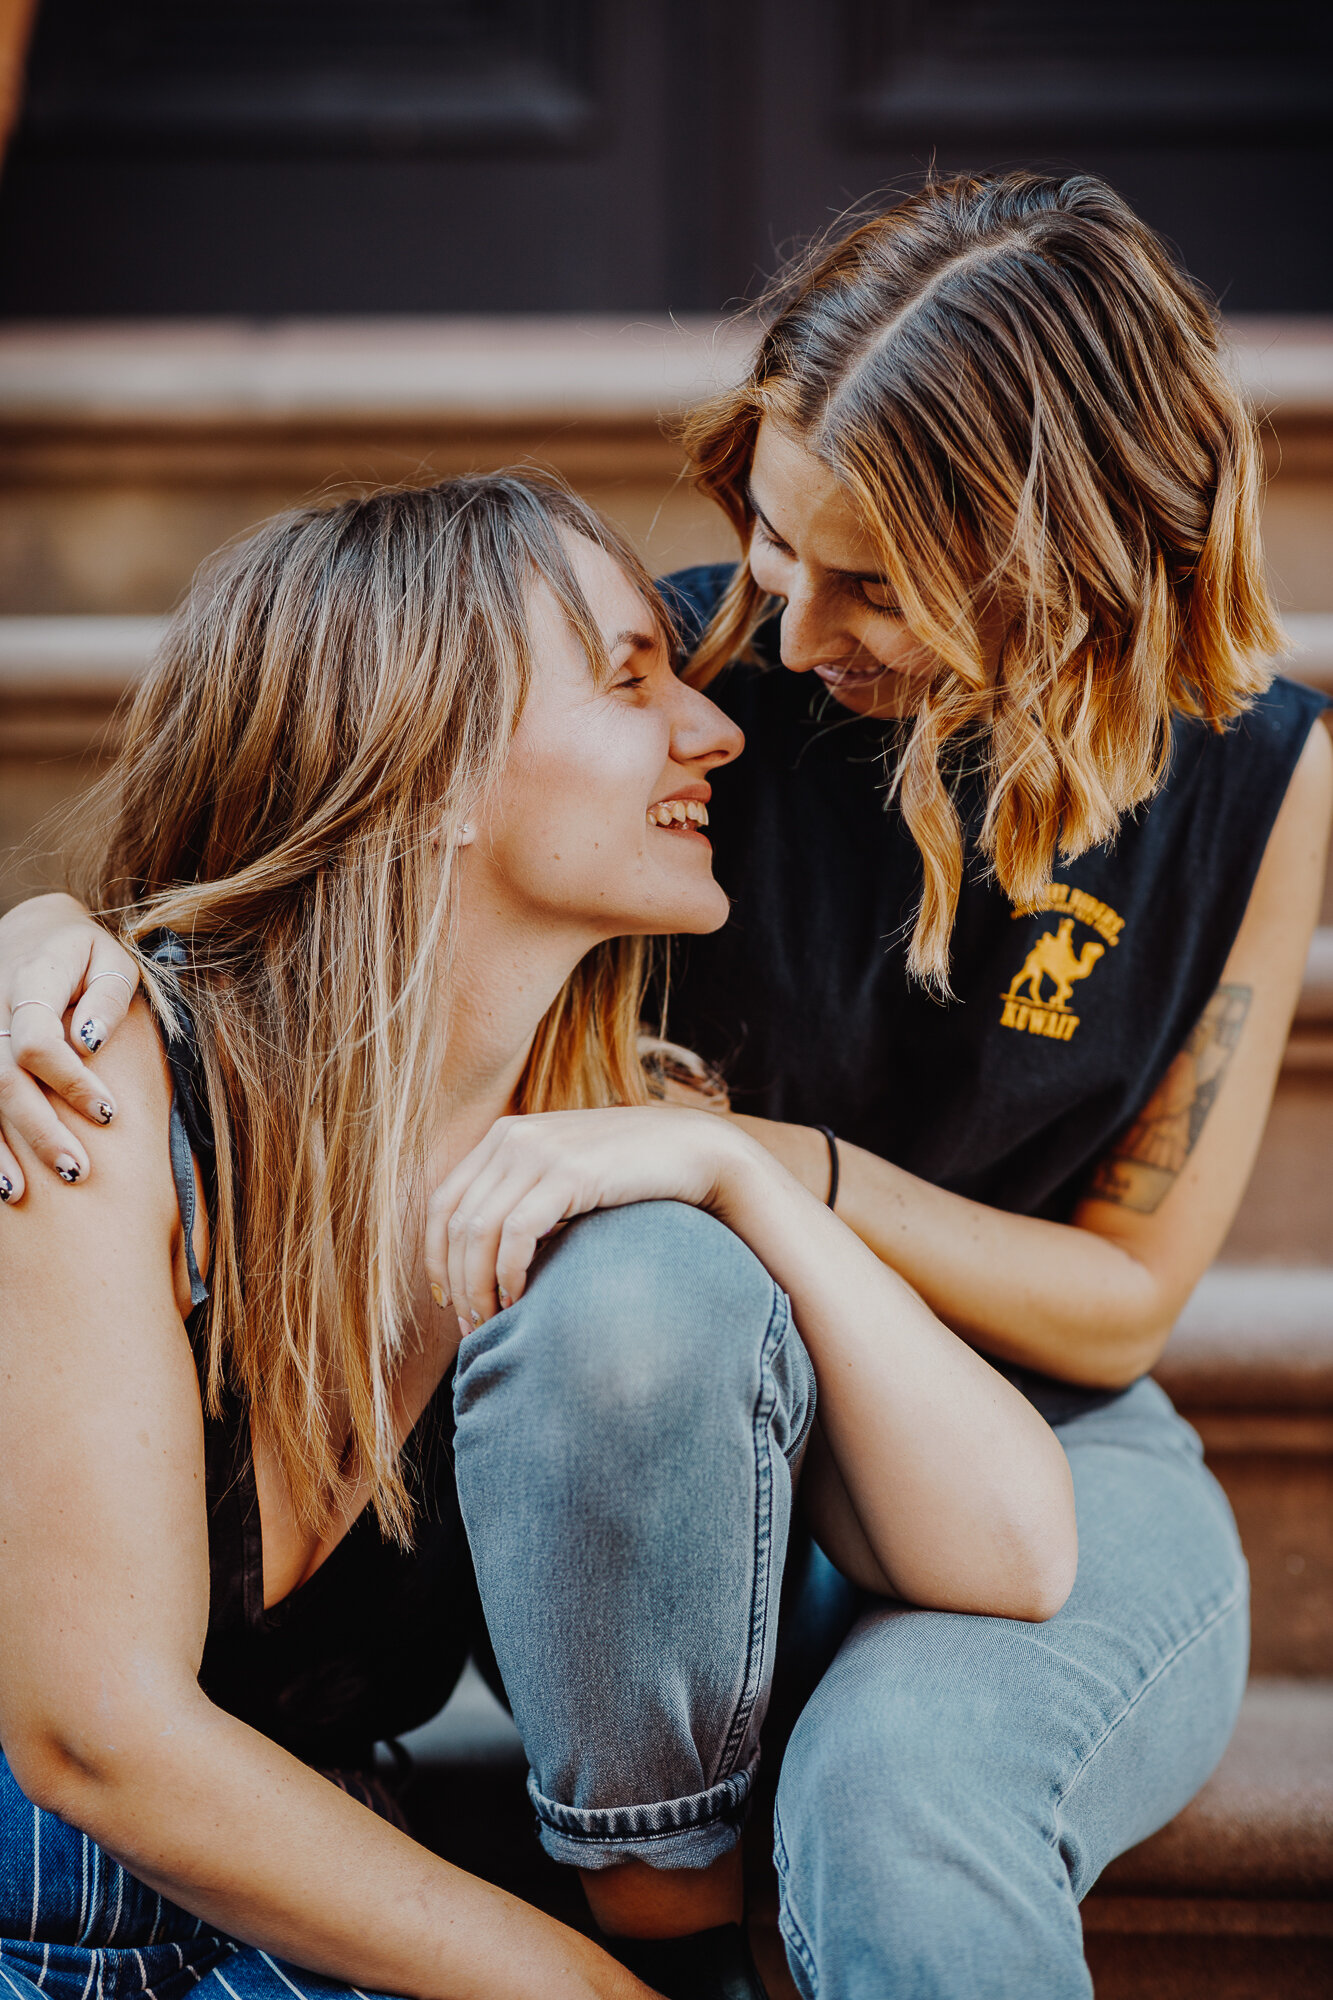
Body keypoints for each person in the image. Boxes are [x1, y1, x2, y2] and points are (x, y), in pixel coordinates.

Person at [2, 172, 1328, 1999]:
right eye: (773, 539)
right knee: (631, 1292)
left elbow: (1117, 1310)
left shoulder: (1254, 767)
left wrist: (749, 1163)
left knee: (907, 1799)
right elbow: (302, 855)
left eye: (870, 584)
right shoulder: (689, 683)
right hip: (664, 1387)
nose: (769, 647)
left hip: (1004, 1403)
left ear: (1060, 574)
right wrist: (48, 938)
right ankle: (666, 1906)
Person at [0, 472, 1076, 2000]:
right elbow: (92, 1734)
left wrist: (738, 1171)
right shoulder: (95, 1064)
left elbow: (1016, 1550)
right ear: (424, 768)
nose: (715, 733)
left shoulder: (600, 1160)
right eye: (632, 682)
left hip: (279, 1957)